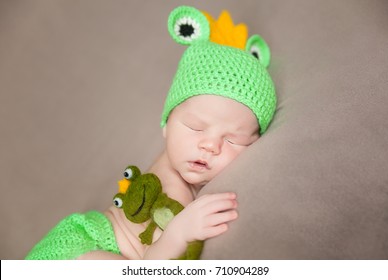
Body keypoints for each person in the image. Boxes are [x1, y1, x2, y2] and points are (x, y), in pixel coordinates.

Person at [25, 5, 276, 260]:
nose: (210, 145)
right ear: (166, 124)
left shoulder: (181, 159)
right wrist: (179, 233)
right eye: (195, 127)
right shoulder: (172, 191)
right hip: (77, 251)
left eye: (233, 139)